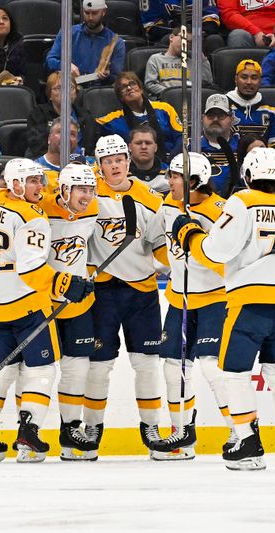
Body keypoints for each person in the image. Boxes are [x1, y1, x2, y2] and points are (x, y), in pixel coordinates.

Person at [172, 146, 275, 471]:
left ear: (248, 176)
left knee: (234, 373)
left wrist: (190, 234)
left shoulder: (243, 201)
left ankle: (248, 442)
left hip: (250, 302)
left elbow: (216, 250)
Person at [0, 158, 94, 463]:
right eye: (33, 181)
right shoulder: (34, 217)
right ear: (16, 184)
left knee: (1, 368)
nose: (41, 186)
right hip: (25, 304)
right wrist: (65, 284)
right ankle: (29, 433)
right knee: (41, 369)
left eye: (40, 180)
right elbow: (31, 268)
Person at [147, 152, 235, 460]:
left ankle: (239, 432)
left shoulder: (220, 213)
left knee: (212, 367)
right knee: (174, 368)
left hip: (214, 300)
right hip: (178, 299)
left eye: (175, 176)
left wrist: (195, 241)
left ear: (195, 182)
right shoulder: (168, 206)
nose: (169, 181)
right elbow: (160, 244)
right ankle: (182, 434)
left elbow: (227, 263)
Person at [86, 135, 169, 455]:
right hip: (102, 290)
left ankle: (150, 427)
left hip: (142, 291)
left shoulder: (149, 198)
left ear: (128, 160)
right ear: (100, 165)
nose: (115, 165)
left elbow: (159, 246)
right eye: (108, 161)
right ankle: (92, 427)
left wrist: (178, 263)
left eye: (120, 159)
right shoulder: (88, 194)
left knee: (147, 364)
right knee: (99, 365)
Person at [36, 163, 101, 461]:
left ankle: (70, 429)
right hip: (44, 302)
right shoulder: (40, 211)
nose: (87, 196)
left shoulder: (93, 209)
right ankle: (30, 431)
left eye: (90, 189)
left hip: (77, 304)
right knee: (37, 370)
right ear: (64, 189)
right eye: (81, 190)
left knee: (78, 367)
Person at [96, 72, 183, 161]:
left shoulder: (165, 109)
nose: (129, 88)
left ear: (141, 89)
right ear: (120, 97)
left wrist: (172, 161)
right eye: (123, 87)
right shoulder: (114, 120)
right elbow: (92, 126)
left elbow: (181, 137)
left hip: (170, 163)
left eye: (132, 84)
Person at [171, 94, 240, 196]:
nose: (215, 119)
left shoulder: (242, 145)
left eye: (221, 116)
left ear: (231, 119)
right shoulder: (187, 146)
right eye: (210, 115)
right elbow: (172, 178)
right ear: (202, 118)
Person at [45, 0, 125, 87]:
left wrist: (107, 76)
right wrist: (65, 66)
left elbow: (117, 77)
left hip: (98, 89)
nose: (90, 17)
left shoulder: (116, 42)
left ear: (103, 12)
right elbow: (50, 60)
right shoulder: (68, 33)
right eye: (87, 13)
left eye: (94, 13)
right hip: (71, 87)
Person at [25, 71, 93, 160]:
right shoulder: (38, 114)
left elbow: (92, 146)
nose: (65, 92)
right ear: (49, 95)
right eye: (58, 88)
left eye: (70, 87)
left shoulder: (85, 115)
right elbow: (37, 147)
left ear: (76, 93)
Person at [227, 60, 275, 151]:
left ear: (260, 81)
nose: (249, 82)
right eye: (244, 77)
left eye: (254, 78)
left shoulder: (274, 110)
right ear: (236, 79)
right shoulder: (223, 106)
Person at [144, 26, 213, 98]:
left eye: (189, 42)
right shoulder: (156, 59)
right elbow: (150, 84)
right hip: (165, 100)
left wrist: (202, 57)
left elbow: (207, 84)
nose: (185, 44)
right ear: (171, 37)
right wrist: (172, 94)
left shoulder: (192, 63)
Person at [140, 0, 224, 54]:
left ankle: (208, 76)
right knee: (167, 39)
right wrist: (178, 35)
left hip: (199, 33)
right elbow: (152, 25)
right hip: (169, 34)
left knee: (214, 40)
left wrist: (202, 32)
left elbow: (211, 16)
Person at [128, 125, 169, 194]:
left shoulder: (170, 174)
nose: (143, 147)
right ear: (129, 147)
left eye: (148, 143)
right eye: (138, 143)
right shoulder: (120, 174)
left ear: (155, 147)